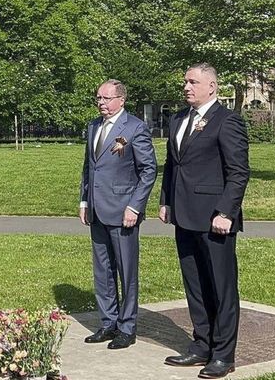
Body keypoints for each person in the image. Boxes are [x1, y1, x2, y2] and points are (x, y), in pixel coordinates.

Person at [159, 64, 250, 379]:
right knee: (195, 285)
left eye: (192, 81)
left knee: (222, 288)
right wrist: (165, 201)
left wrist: (226, 212)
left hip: (215, 219)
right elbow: (172, 165)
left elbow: (238, 172)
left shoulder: (227, 122)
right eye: (185, 80)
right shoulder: (178, 120)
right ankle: (201, 345)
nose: (186, 86)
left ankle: (224, 355)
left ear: (212, 86)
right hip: (184, 216)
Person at [79, 79, 157, 350]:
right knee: (103, 270)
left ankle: (127, 326)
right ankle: (108, 322)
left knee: (126, 271)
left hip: (124, 212)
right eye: (98, 98)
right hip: (97, 210)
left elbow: (149, 170)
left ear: (121, 100)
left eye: (106, 98)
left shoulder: (135, 128)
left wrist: (135, 206)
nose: (101, 103)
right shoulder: (93, 127)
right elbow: (89, 167)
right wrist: (84, 201)